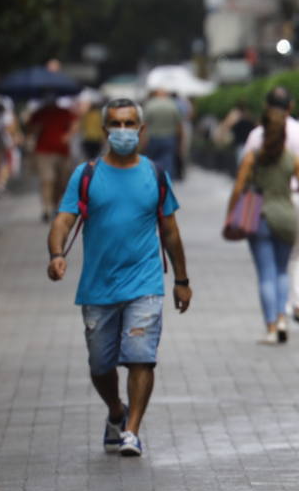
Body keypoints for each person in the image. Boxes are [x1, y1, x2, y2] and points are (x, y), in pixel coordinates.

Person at [45, 98, 192, 458]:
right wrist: (57, 254)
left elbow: (170, 231)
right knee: (100, 365)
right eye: (116, 124)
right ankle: (115, 410)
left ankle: (131, 431)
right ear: (105, 129)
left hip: (145, 284)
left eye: (129, 124)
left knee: (142, 357)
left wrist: (182, 280)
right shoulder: (87, 174)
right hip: (98, 287)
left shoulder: (155, 174)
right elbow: (63, 220)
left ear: (141, 131)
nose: (123, 131)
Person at [243, 87, 299, 331]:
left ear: (266, 107)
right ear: (291, 106)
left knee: (270, 268)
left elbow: (244, 176)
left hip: (262, 203)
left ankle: (278, 316)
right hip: (298, 201)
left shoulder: (256, 135)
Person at [227, 110, 299, 344]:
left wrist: (230, 214)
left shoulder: (253, 157)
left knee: (266, 274)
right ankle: (283, 318)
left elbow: (238, 188)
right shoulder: (292, 159)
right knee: (283, 271)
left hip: (260, 215)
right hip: (287, 215)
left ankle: (271, 328)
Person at [26, 96, 77, 221]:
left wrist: (68, 135)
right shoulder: (38, 113)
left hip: (62, 152)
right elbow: (30, 129)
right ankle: (46, 208)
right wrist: (36, 127)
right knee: (47, 179)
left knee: (61, 182)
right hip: (43, 151)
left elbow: (76, 122)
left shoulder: (64, 112)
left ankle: (54, 205)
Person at [141, 89, 181, 179]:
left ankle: (153, 181)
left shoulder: (150, 104)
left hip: (152, 138)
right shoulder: (172, 105)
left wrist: (142, 141)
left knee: (151, 162)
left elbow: (145, 125)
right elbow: (179, 124)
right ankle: (166, 182)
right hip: (169, 137)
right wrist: (179, 141)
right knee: (168, 162)